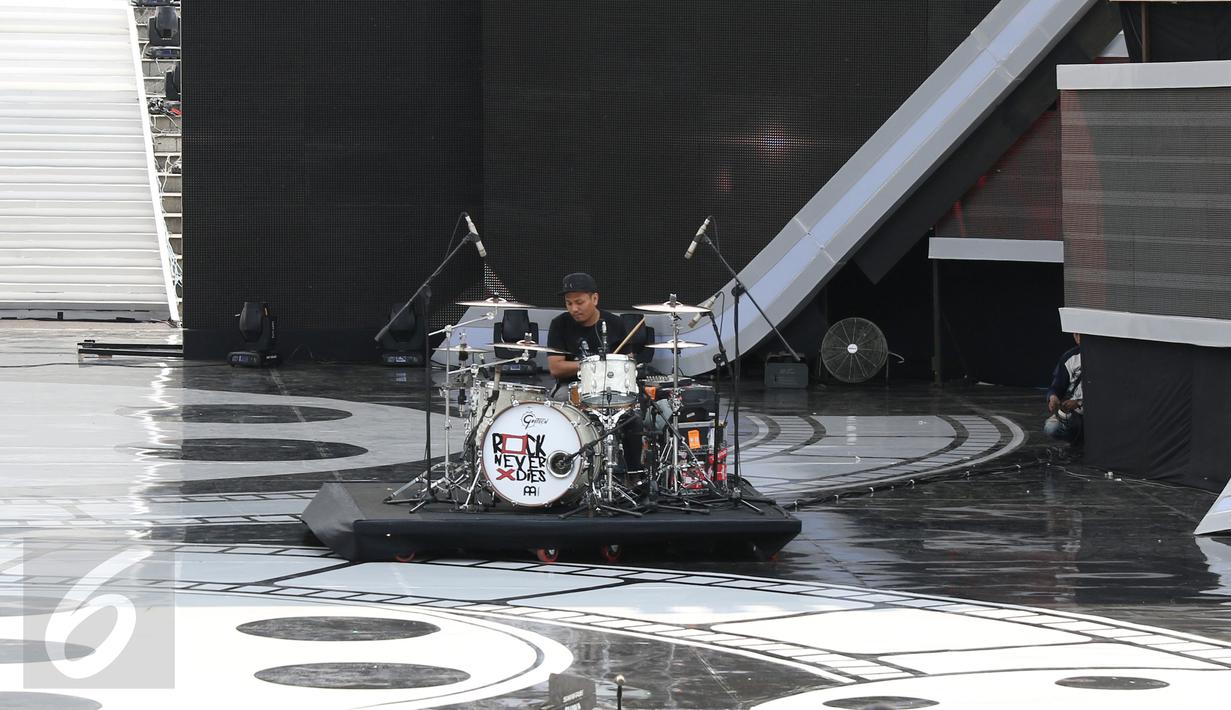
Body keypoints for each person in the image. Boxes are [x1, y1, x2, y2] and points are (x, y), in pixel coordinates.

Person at [546, 273, 643, 470]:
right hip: (572, 388)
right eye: (569, 303)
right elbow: (555, 367)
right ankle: (566, 468)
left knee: (634, 418)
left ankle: (634, 474)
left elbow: (628, 363)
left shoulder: (615, 324)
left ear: (595, 299)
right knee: (560, 409)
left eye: (579, 302)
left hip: (610, 388)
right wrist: (592, 364)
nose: (574, 308)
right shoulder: (559, 324)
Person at [1044, 333, 1083, 444]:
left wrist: (1079, 402)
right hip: (1075, 414)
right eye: (1076, 334)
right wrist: (1053, 397)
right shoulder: (1070, 357)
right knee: (1051, 427)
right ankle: (1077, 440)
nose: (1079, 338)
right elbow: (1057, 386)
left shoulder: (1105, 357)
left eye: (1082, 334)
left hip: (1097, 411)